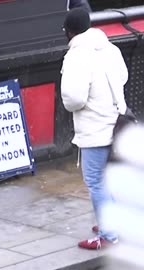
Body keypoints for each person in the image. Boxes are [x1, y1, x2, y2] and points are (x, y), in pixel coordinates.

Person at [60, 8, 128, 250]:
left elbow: (73, 99)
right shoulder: (110, 47)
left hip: (94, 129)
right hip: (116, 123)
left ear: (68, 31)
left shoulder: (76, 56)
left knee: (96, 182)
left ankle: (109, 235)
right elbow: (123, 76)